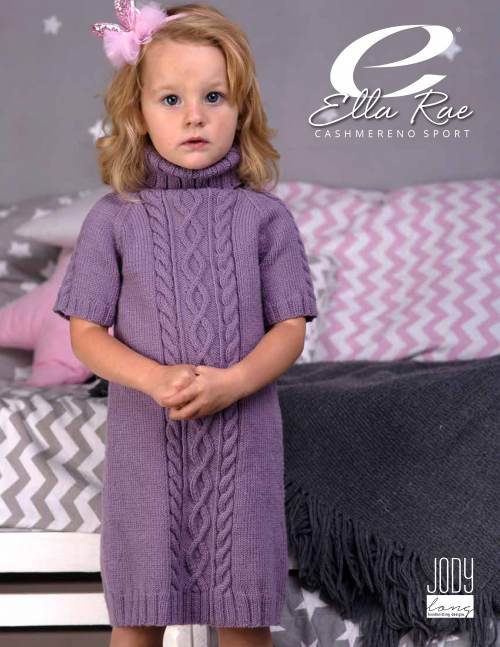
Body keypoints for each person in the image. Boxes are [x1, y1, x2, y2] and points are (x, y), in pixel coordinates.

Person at [53, 3, 318, 646]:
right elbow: (86, 333)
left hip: (241, 448)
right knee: (138, 619)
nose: (193, 115)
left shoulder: (265, 218)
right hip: (148, 450)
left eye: (213, 96)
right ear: (138, 112)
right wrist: (154, 378)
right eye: (170, 98)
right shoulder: (114, 218)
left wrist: (234, 382)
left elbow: (290, 327)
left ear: (241, 109)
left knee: (243, 620)